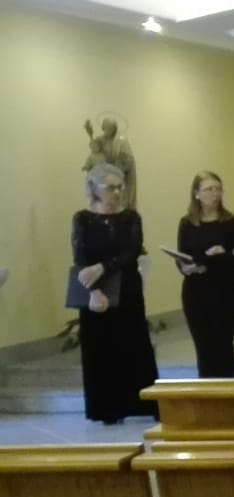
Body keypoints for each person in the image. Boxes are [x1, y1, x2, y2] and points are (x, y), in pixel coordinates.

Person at [72, 164, 159, 423]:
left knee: (134, 344)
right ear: (94, 189)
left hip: (127, 288)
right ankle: (108, 409)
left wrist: (102, 267)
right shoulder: (82, 218)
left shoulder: (131, 217)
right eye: (111, 187)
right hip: (94, 292)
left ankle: (143, 405)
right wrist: (94, 291)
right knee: (100, 348)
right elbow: (80, 257)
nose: (117, 192)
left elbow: (132, 251)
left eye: (120, 187)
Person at [175, 171, 234, 377]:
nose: (214, 194)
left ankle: (228, 390)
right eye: (208, 189)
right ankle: (206, 391)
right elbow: (182, 257)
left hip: (224, 291)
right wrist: (187, 266)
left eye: (218, 189)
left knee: (224, 346)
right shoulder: (187, 223)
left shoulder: (232, 222)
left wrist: (223, 254)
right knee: (203, 347)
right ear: (196, 193)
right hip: (196, 292)